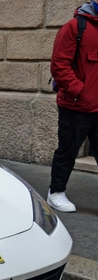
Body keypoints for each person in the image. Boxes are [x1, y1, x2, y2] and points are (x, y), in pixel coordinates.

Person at [47, 2, 98, 212]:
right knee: (68, 150)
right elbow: (59, 64)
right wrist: (81, 91)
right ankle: (56, 193)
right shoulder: (75, 27)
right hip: (76, 106)